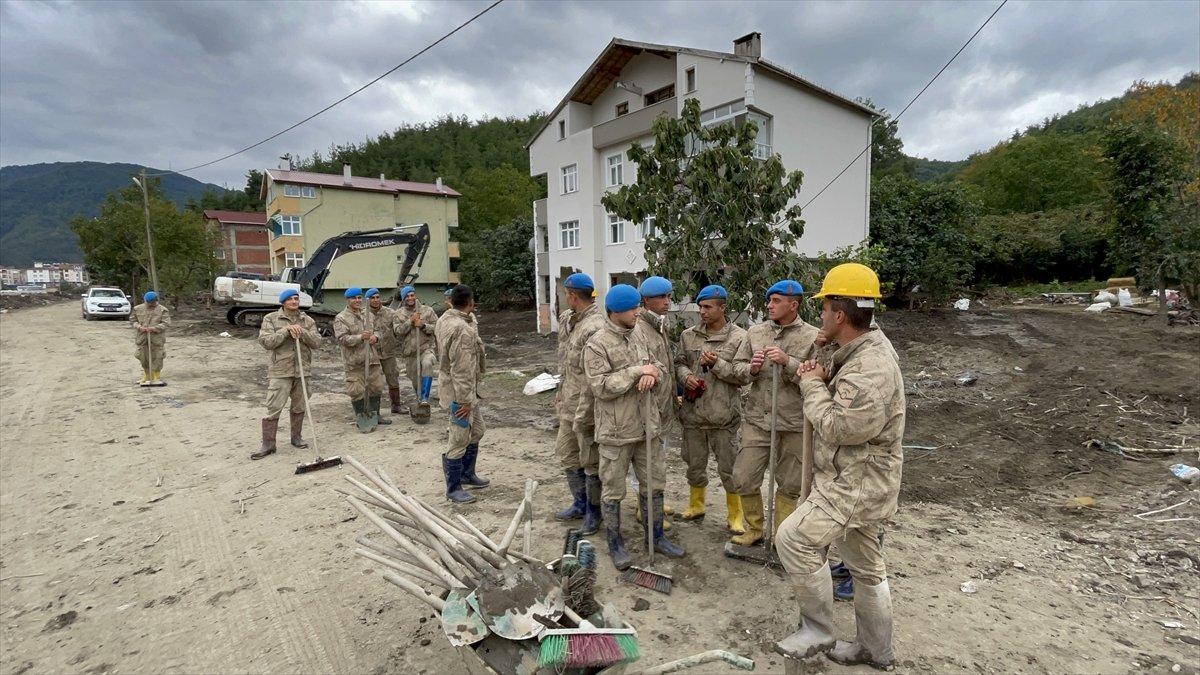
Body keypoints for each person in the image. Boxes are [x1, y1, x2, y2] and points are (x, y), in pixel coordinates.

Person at [773, 263, 904, 670]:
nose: (821, 316)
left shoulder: (871, 369)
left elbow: (837, 426)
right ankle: (876, 650)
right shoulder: (857, 348)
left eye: (825, 309)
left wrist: (810, 383)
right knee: (866, 566)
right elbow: (827, 380)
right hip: (857, 476)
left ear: (840, 314)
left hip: (856, 480)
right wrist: (810, 365)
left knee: (794, 538)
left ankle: (818, 628)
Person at [584, 284, 684, 570]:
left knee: (654, 483)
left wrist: (653, 375)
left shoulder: (640, 334)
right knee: (613, 490)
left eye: (638, 306)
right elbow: (601, 386)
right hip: (616, 432)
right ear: (615, 312)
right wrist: (637, 372)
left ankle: (657, 537)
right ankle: (615, 544)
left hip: (647, 427)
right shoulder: (597, 344)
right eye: (632, 309)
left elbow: (659, 366)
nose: (638, 312)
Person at [727, 280, 819, 547]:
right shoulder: (755, 333)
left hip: (794, 422)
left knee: (790, 483)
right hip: (758, 419)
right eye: (769, 301)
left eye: (776, 301)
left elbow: (818, 376)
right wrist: (752, 369)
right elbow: (737, 369)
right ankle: (754, 529)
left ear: (794, 304)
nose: (769, 305)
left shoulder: (812, 337)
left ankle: (782, 537)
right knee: (743, 476)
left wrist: (788, 362)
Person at [674, 284, 751, 532]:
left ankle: (735, 515)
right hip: (693, 416)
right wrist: (685, 377)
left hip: (723, 417)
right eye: (700, 307)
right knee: (694, 465)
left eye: (708, 307)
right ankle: (696, 505)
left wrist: (717, 364)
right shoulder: (688, 335)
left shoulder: (739, 337)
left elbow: (743, 376)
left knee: (729, 469)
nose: (702, 312)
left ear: (722, 308)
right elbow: (678, 363)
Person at [552, 273, 606, 535]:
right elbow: (567, 363)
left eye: (566, 294)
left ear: (572, 295)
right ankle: (580, 503)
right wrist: (561, 390)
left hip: (587, 407)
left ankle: (594, 513)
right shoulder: (572, 321)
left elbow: (593, 376)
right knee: (567, 453)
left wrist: (585, 413)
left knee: (590, 459)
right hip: (568, 402)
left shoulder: (594, 326)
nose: (565, 298)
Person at [435, 284, 490, 503]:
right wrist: (465, 401)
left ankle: (467, 474)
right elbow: (461, 368)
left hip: (465, 390)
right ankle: (454, 488)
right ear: (470, 302)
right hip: (460, 392)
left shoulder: (446, 319)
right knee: (458, 439)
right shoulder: (461, 329)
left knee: (477, 430)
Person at [252, 289, 321, 460]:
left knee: (299, 406)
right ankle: (268, 444)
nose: (294, 301)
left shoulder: (307, 320)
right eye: (290, 299)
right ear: (283, 302)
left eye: (296, 299)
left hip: (302, 371)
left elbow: (317, 342)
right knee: (274, 406)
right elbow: (267, 342)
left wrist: (302, 332)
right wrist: (285, 331)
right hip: (281, 371)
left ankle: (296, 438)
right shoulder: (271, 319)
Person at [631, 276, 677, 531]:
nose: (667, 302)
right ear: (646, 300)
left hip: (663, 404)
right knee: (646, 459)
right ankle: (643, 506)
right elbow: (645, 366)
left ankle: (653, 502)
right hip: (649, 406)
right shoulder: (640, 329)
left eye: (669, 296)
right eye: (662, 297)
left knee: (659, 456)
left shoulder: (660, 324)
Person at [333, 287, 388, 429]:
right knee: (356, 391)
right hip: (354, 361)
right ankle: (361, 416)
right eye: (354, 298)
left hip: (372, 359)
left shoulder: (368, 314)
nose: (357, 301)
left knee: (376, 387)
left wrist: (375, 337)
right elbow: (342, 339)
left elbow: (378, 331)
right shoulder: (341, 318)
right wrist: (360, 337)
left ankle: (375, 415)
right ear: (348, 300)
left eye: (359, 298)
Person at [394, 285, 438, 410]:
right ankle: (420, 402)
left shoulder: (427, 310)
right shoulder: (398, 314)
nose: (410, 298)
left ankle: (425, 398)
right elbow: (397, 331)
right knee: (416, 382)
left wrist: (423, 325)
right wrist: (410, 322)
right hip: (410, 353)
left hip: (425, 348)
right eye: (407, 296)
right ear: (403, 299)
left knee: (427, 363)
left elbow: (437, 327)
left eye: (412, 295)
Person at [366, 288, 403, 415]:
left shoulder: (390, 313)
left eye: (377, 297)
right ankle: (374, 409)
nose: (376, 300)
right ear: (368, 300)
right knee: (374, 382)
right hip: (372, 353)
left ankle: (396, 405)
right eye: (372, 298)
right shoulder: (364, 314)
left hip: (388, 351)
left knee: (393, 377)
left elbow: (398, 330)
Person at [130, 290, 170, 384]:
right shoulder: (137, 309)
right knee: (142, 356)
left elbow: (166, 323)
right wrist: (139, 327)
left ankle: (156, 377)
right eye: (148, 303)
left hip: (157, 339)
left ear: (156, 301)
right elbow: (132, 320)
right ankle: (147, 375)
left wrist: (154, 328)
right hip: (142, 338)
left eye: (152, 302)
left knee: (158, 356)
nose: (150, 304)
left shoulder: (163, 310)